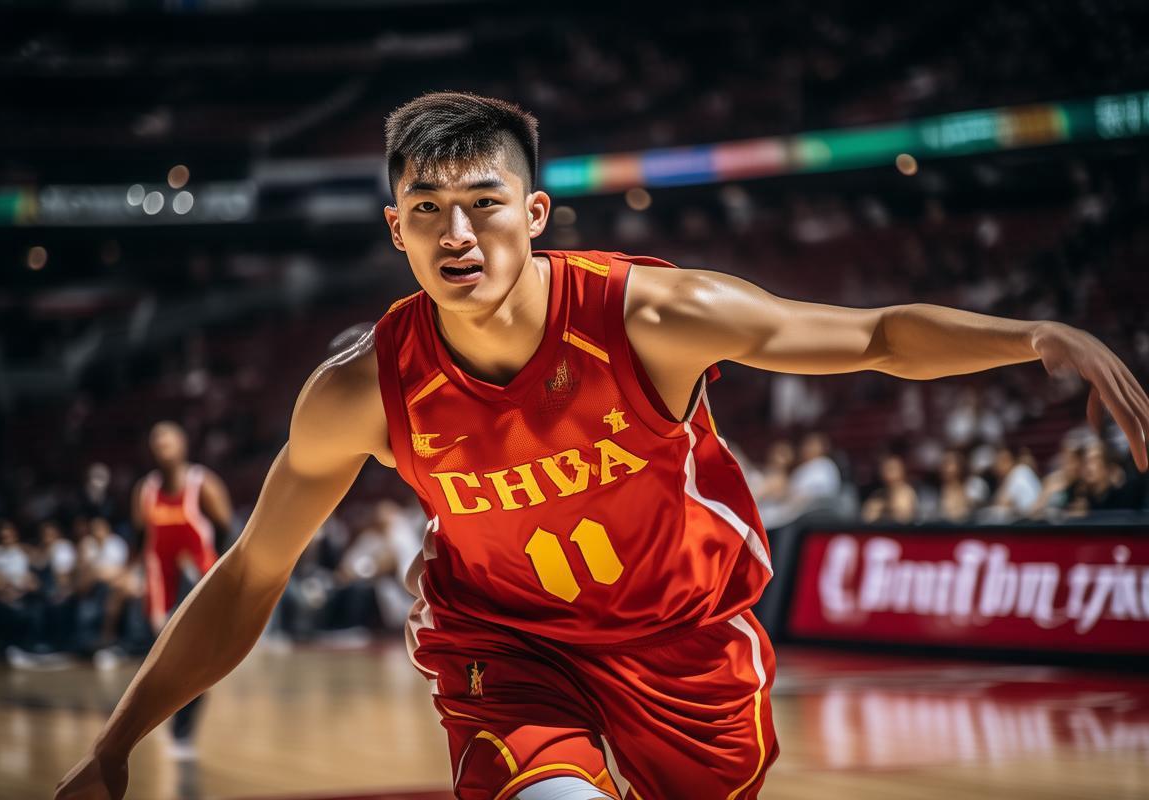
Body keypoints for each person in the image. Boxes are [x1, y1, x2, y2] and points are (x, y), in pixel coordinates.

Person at [56, 91, 1149, 800]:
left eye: (482, 203)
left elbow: (872, 337)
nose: (456, 233)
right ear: (396, 230)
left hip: (686, 647)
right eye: (426, 208)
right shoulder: (360, 392)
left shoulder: (654, 317)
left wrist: (1032, 335)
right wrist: (114, 743)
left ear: (535, 214)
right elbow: (251, 573)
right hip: (511, 654)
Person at [110, 421, 234, 761]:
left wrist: (224, 577)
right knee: (165, 666)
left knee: (196, 663)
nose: (162, 444)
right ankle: (167, 723)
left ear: (183, 444)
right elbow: (139, 539)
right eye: (157, 440)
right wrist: (127, 571)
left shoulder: (203, 483)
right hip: (160, 586)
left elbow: (228, 532)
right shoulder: (145, 490)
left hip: (200, 585)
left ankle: (183, 732)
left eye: (168, 439)